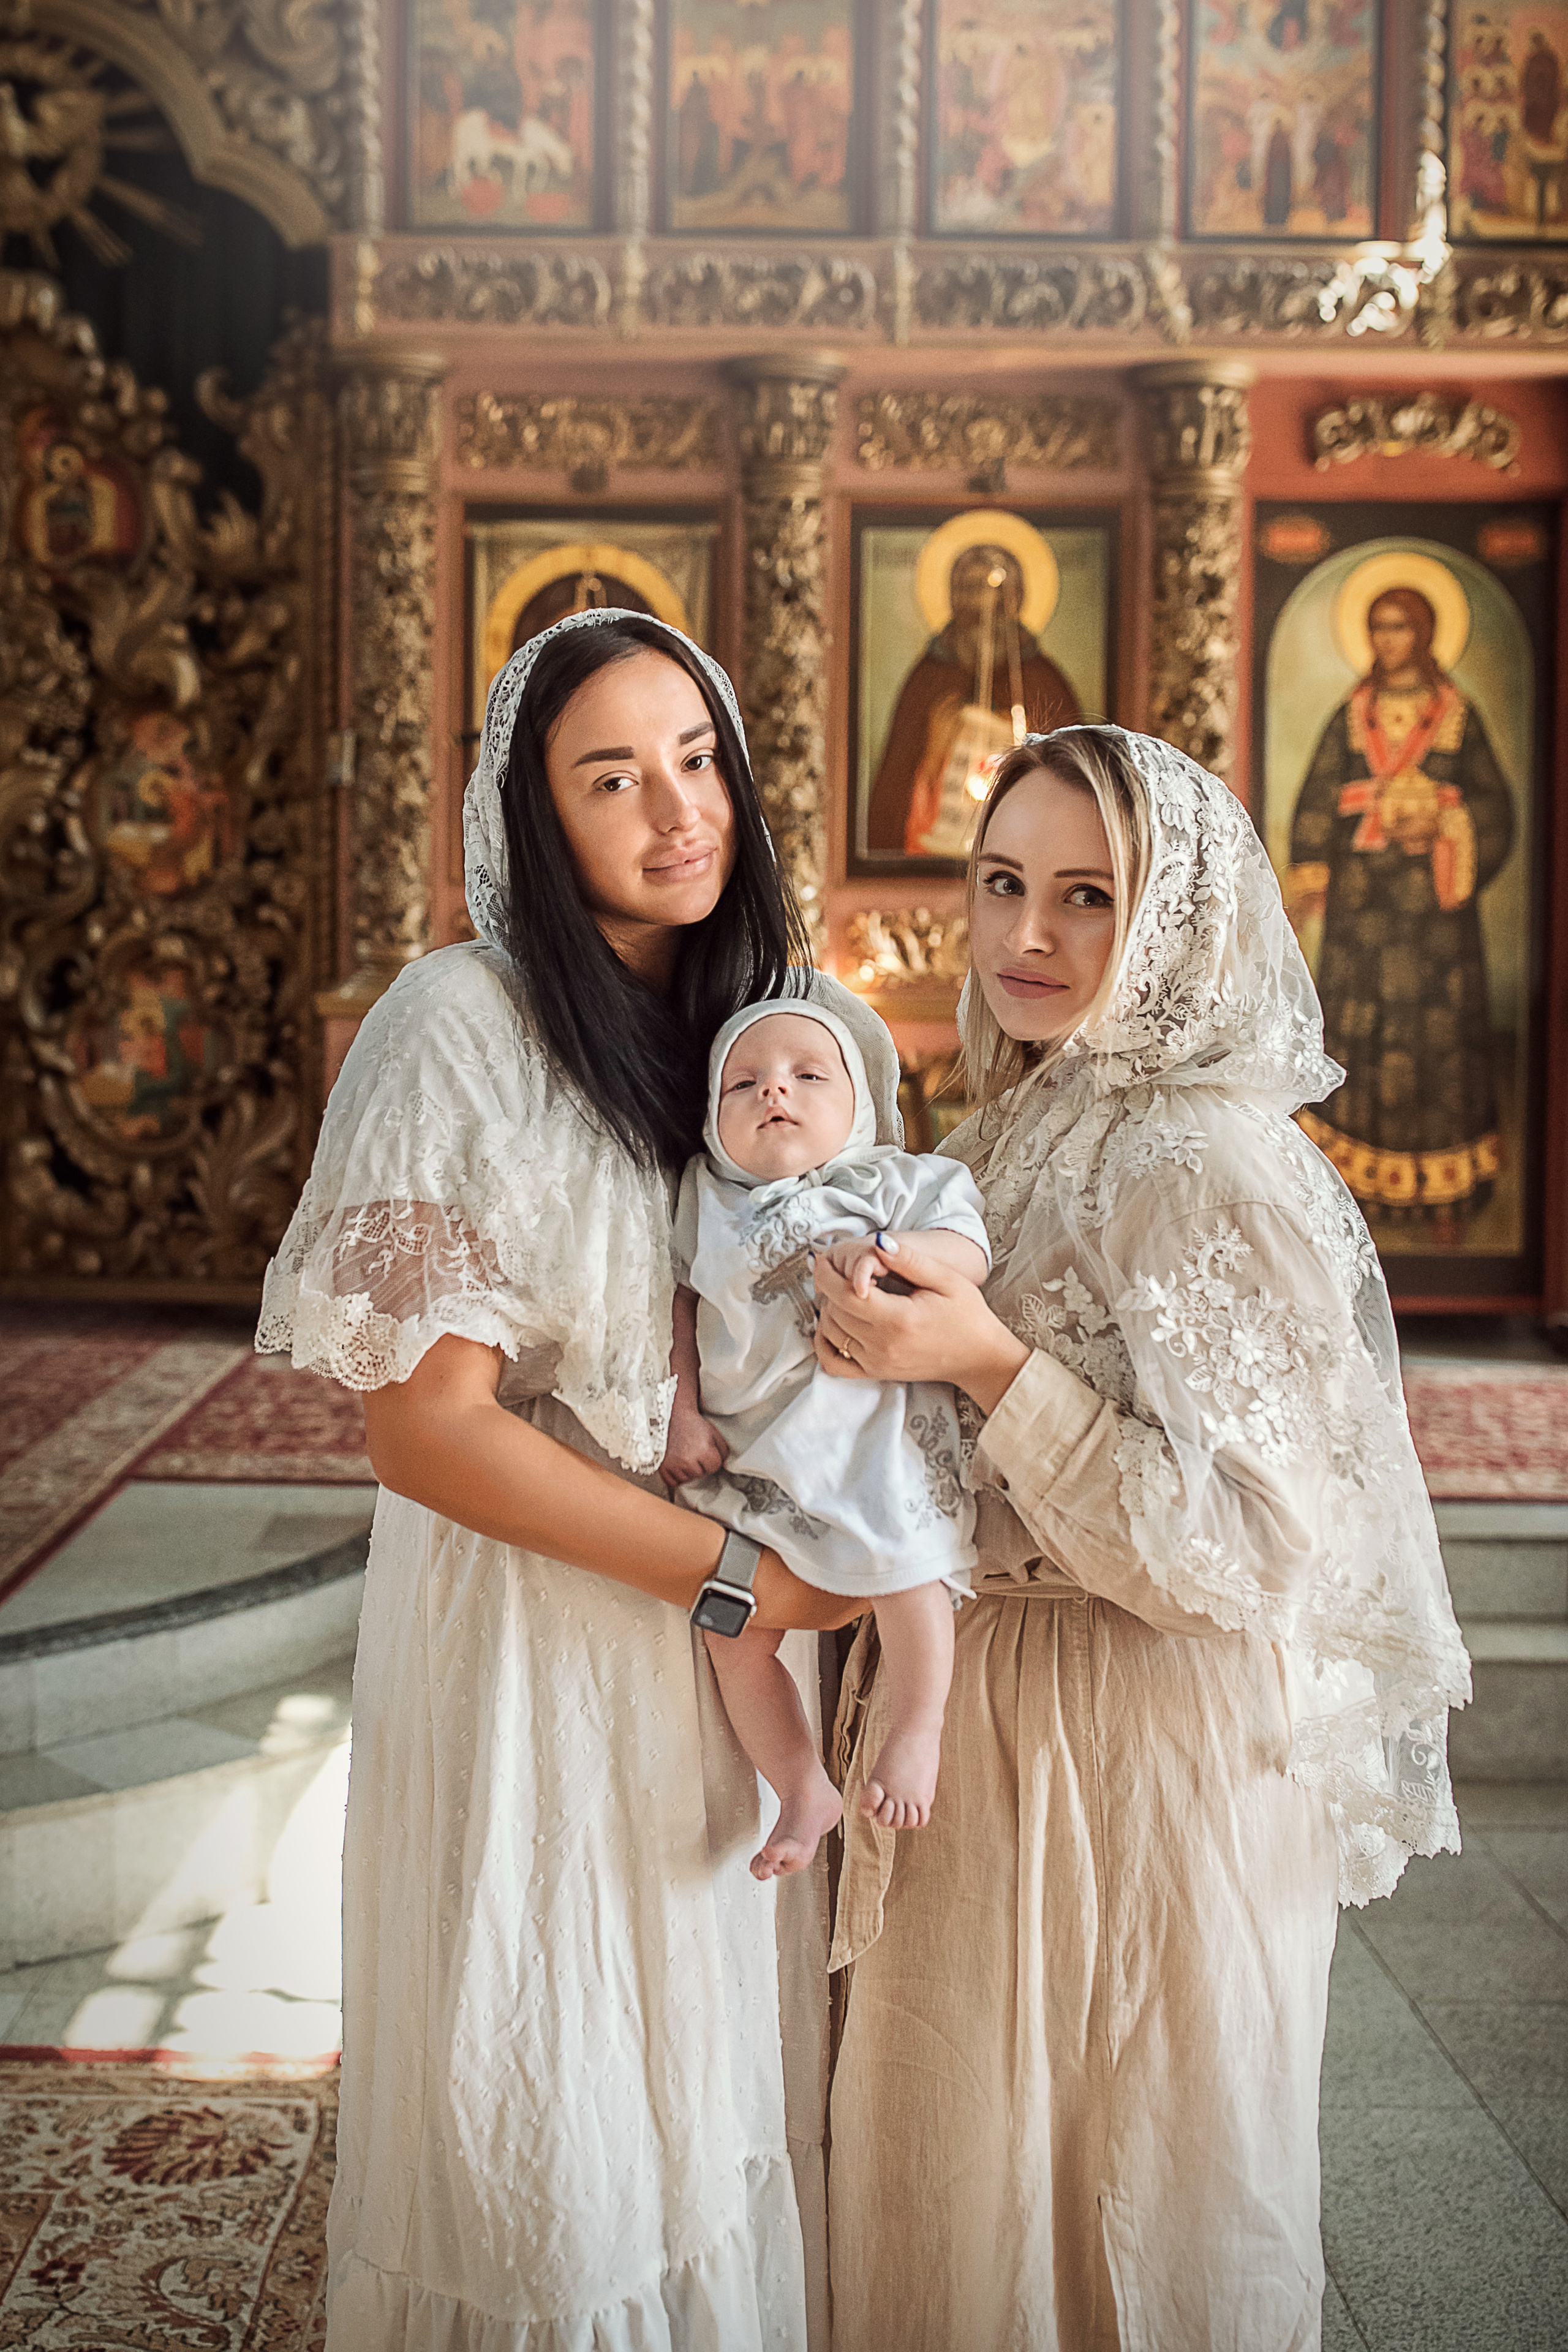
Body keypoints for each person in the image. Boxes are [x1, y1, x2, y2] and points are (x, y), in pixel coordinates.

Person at [816, 723, 1470, 2351]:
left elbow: (1250, 1546)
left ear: (1178, 914)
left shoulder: (1195, 1158)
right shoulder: (1036, 1119)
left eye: (1091, 896)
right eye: (1004, 884)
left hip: (1128, 1753)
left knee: (1118, 2199)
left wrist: (982, 1363)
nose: (1031, 937)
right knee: (967, 2195)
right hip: (1012, 1723)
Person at [258, 607, 869, 2348]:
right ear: (535, 814)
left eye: (697, 763)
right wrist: (735, 1578)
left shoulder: (768, 1025)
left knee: (704, 2091)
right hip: (541, 1637)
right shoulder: (462, 1020)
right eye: (613, 779)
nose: (677, 814)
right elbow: (423, 1427)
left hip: (726, 1650)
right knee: (548, 2126)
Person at [662, 998, 990, 1878]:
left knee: (907, 1572)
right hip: (751, 1459)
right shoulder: (706, 1197)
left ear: (861, 1105)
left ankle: (917, 1732)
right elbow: (682, 1307)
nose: (776, 1088)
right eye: (745, 1082)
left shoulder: (894, 1181)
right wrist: (681, 1409)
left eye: (810, 1075)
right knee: (730, 1630)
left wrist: (890, 1253)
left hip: (865, 1441)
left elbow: (969, 1253)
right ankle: (802, 1786)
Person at [1286, 584, 1515, 1242]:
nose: (1389, 641)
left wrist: (1447, 819)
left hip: (1436, 928)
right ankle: (1349, 1190)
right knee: (1360, 1034)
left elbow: (1496, 809)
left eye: (1400, 628)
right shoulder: (1351, 715)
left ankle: (1443, 1194)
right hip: (1362, 918)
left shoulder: (1456, 715)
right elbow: (1315, 801)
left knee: (1435, 1046)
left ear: (1424, 633)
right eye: (1378, 627)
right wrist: (1310, 876)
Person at [865, 544, 1080, 855]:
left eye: (994, 592)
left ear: (1016, 599)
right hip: (940, 832)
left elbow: (1069, 774)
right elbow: (897, 778)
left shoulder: (1041, 679)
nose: (982, 604)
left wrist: (1014, 731)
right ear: (953, 596)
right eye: (969, 589)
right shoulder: (929, 677)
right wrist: (938, 742)